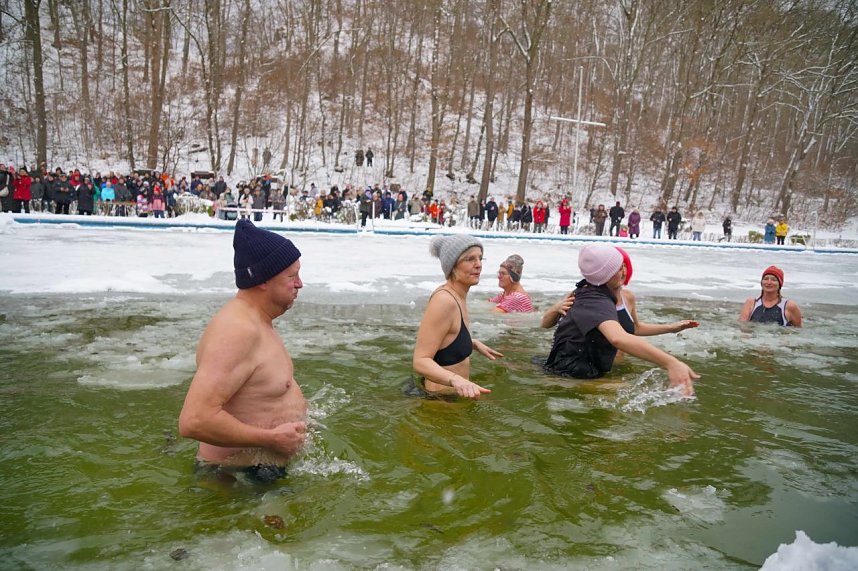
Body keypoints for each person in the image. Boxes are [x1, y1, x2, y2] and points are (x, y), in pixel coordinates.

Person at [178, 220, 307, 483]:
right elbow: (194, 420)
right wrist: (271, 439)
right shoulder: (236, 331)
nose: (300, 284)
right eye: (291, 276)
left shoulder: (258, 321)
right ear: (263, 280)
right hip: (236, 479)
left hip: (257, 472)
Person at [541, 244, 698, 395]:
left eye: (624, 266)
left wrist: (671, 328)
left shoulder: (597, 294)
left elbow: (632, 329)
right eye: (618, 268)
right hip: (569, 372)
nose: (623, 271)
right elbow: (618, 338)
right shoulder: (593, 300)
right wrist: (671, 363)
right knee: (631, 391)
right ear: (604, 274)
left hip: (584, 368)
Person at [412, 235, 503, 399]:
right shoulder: (444, 300)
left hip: (453, 397)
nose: (478, 264)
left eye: (480, 258)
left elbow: (445, 340)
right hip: (440, 401)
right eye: (470, 259)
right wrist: (456, 380)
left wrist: (469, 342)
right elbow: (420, 361)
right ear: (452, 266)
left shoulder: (458, 296)